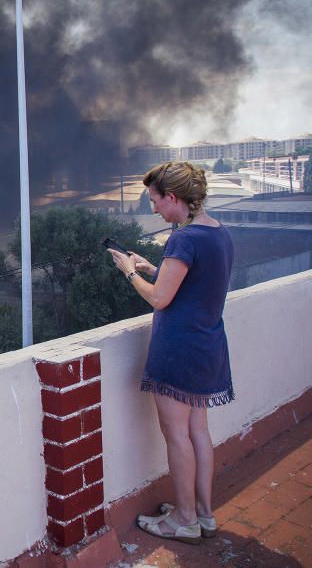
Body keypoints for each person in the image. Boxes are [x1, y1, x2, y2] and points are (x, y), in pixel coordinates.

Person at [108, 161, 234, 545]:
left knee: (176, 435)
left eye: (155, 200)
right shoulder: (218, 232)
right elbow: (194, 282)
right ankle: (203, 514)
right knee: (197, 431)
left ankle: (183, 519)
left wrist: (131, 272)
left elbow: (161, 298)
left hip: (179, 350)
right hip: (208, 344)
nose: (153, 209)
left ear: (173, 198)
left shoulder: (183, 239)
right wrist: (155, 266)